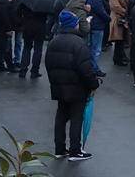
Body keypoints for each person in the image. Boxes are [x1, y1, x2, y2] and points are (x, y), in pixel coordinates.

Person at [44, 10, 99, 162]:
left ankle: (59, 149)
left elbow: (48, 63)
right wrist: (94, 84)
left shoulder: (54, 41)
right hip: (77, 87)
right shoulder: (79, 43)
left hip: (59, 85)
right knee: (76, 118)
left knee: (61, 116)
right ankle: (75, 150)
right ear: (74, 25)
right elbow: (86, 69)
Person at [17, 0, 48, 79]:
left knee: (26, 48)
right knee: (38, 49)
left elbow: (18, 11)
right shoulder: (44, 0)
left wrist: (22, 22)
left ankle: (23, 70)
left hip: (28, 25)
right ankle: (34, 71)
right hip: (40, 26)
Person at [85, 0, 109, 77]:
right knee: (96, 49)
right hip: (97, 25)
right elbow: (102, 12)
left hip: (90, 24)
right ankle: (94, 68)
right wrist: (108, 19)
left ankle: (91, 66)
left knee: (91, 47)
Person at [109, 0, 129, 66]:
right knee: (118, 40)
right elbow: (116, 8)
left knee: (121, 41)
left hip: (123, 20)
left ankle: (119, 58)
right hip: (117, 20)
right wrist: (126, 11)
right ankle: (118, 59)